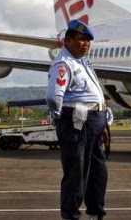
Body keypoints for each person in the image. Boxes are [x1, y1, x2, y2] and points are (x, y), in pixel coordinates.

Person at [46, 19, 108, 220]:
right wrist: (60, 120)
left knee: (98, 171)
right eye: (81, 40)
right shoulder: (64, 64)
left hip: (95, 121)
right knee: (76, 172)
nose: (86, 44)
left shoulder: (83, 62)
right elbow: (54, 97)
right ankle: (71, 215)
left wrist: (103, 121)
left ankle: (95, 212)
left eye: (88, 41)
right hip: (76, 121)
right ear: (68, 41)